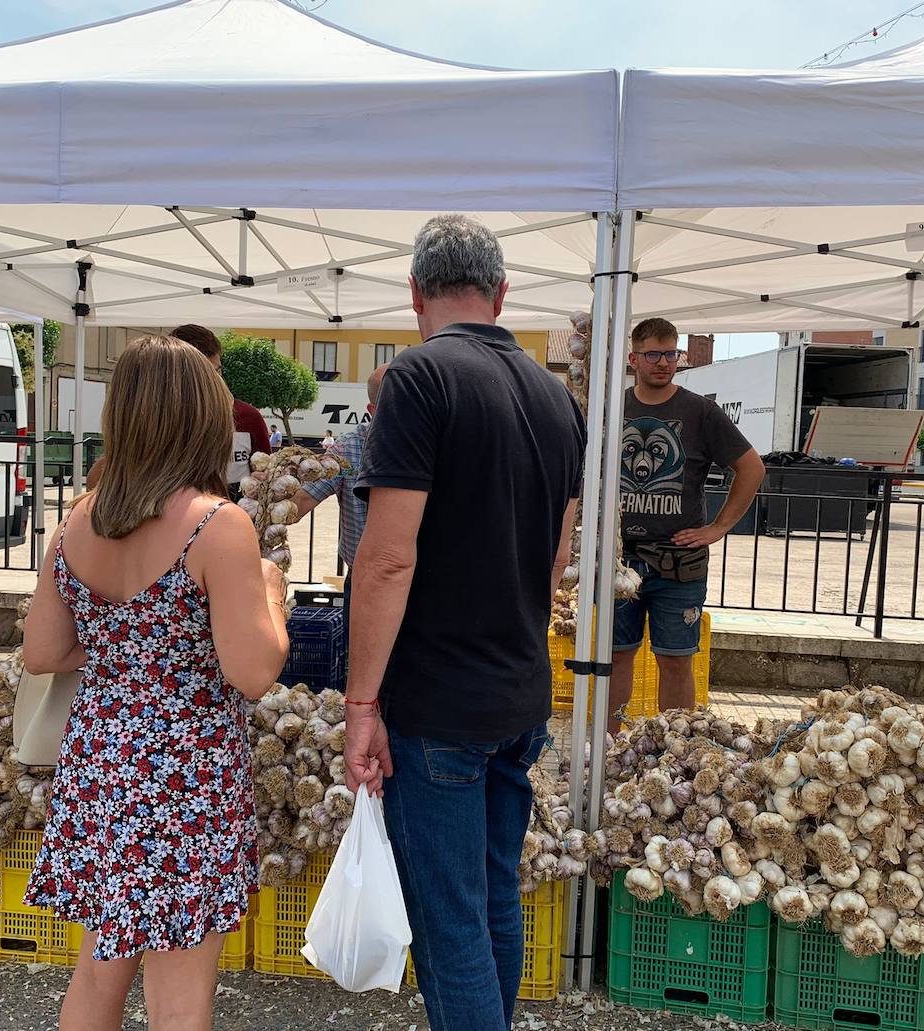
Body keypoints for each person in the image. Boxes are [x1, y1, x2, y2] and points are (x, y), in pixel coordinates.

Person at [342, 215, 584, 1031]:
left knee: (450, 928)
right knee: (491, 903)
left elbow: (385, 559)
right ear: (502, 292)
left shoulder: (418, 378)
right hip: (518, 692)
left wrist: (360, 704)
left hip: (438, 699)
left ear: (415, 292)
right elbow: (557, 556)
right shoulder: (557, 397)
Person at [22, 335, 289, 1031]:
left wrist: (126, 639)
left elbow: (43, 650)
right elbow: (254, 670)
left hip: (102, 765)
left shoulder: (79, 518)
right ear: (203, 414)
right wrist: (271, 592)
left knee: (98, 972)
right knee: (179, 995)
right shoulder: (216, 523)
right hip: (185, 776)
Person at [610, 317, 764, 733]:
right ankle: (608, 752)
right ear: (633, 358)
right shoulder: (611, 408)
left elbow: (751, 468)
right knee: (615, 657)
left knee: (676, 661)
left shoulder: (700, 411)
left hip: (679, 564)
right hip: (618, 561)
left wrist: (718, 527)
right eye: (653, 354)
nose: (663, 363)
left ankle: (673, 753)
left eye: (671, 353)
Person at [83, 324, 271, 492]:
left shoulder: (247, 416)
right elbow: (100, 477)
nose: (215, 382)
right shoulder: (154, 424)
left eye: (217, 371)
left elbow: (265, 471)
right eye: (203, 374)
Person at [290, 363, 388, 626]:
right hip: (365, 578)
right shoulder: (347, 449)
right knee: (356, 657)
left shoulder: (434, 447)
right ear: (372, 410)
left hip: (422, 577)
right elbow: (299, 505)